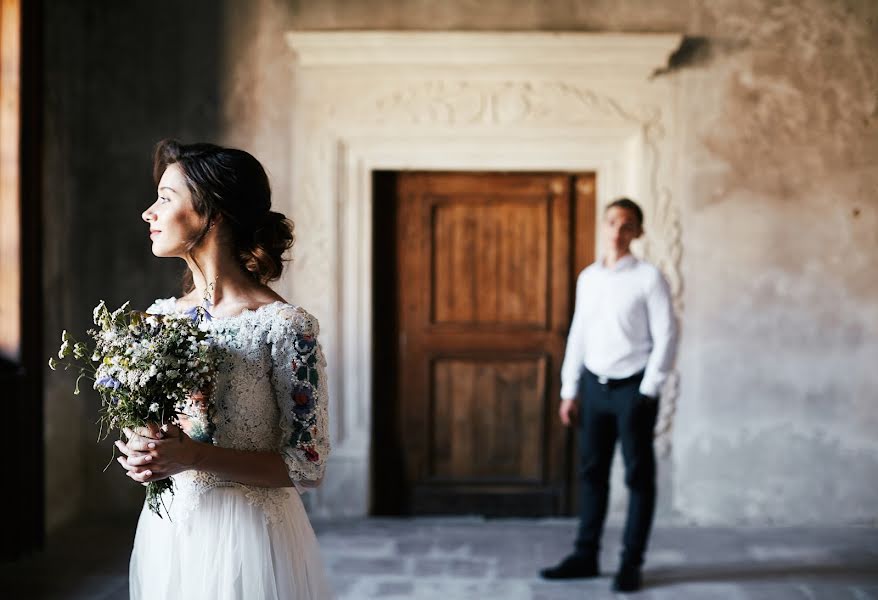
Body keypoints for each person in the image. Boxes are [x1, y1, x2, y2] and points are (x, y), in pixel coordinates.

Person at [117, 139, 332, 599]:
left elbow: (308, 466)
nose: (148, 213)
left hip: (253, 540)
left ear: (212, 213)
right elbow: (163, 434)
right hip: (172, 534)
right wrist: (144, 454)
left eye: (165, 198)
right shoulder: (160, 319)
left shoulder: (285, 327)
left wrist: (192, 457)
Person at [540, 198, 677, 593]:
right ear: (603, 226)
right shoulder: (589, 278)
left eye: (627, 224)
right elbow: (579, 333)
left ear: (638, 232)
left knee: (638, 477)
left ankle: (630, 564)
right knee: (592, 475)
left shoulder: (649, 278)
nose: (618, 231)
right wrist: (569, 390)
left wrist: (648, 391)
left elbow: (667, 334)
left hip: (633, 389)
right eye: (613, 222)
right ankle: (585, 556)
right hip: (592, 388)